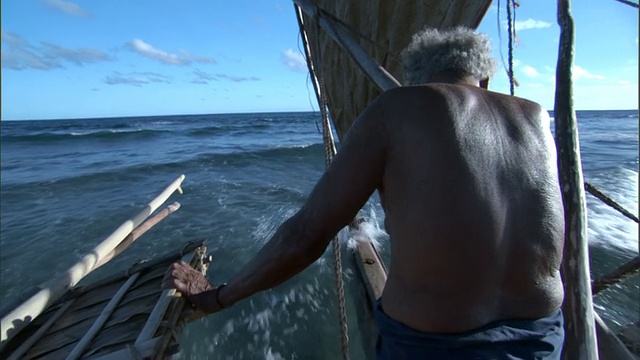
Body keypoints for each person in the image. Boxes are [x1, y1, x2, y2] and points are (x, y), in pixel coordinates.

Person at [164, 27, 565, 359]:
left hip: (435, 346)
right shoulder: (534, 117)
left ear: (416, 80)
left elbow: (306, 236)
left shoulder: (399, 106)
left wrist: (218, 297)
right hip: (542, 335)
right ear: (485, 80)